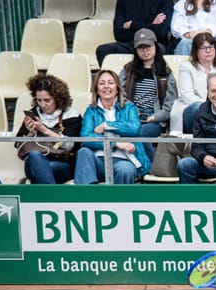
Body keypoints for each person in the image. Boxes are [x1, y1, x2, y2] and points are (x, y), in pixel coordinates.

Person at [74, 70, 151, 184]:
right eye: (101, 83)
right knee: (83, 152)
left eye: (110, 82)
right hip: (98, 160)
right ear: (96, 89)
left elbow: (134, 128)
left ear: (117, 88)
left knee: (125, 169)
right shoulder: (91, 111)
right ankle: (88, 198)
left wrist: (107, 125)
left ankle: (118, 201)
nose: (106, 86)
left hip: (124, 159)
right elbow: (86, 137)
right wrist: (116, 144)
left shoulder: (129, 108)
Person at [119, 28, 178, 161]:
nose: (145, 51)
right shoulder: (128, 70)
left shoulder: (165, 72)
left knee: (142, 133)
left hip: (155, 118)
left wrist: (154, 117)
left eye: (148, 47)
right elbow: (120, 95)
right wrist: (132, 111)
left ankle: (152, 167)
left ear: (155, 46)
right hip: (132, 115)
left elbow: (170, 105)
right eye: (141, 48)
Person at [15, 74, 81, 185]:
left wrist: (44, 130)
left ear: (57, 98)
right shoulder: (33, 114)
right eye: (39, 100)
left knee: (43, 168)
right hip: (35, 162)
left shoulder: (72, 116)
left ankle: (48, 197)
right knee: (35, 156)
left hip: (62, 163)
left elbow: (70, 146)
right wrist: (31, 132)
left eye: (47, 100)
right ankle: (53, 199)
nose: (43, 105)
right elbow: (18, 145)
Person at [95, 0, 174, 66]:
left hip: (154, 44)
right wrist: (151, 26)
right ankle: (114, 82)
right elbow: (118, 33)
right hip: (130, 44)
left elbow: (161, 31)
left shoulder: (166, 1)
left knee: (158, 49)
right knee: (103, 50)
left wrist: (132, 25)